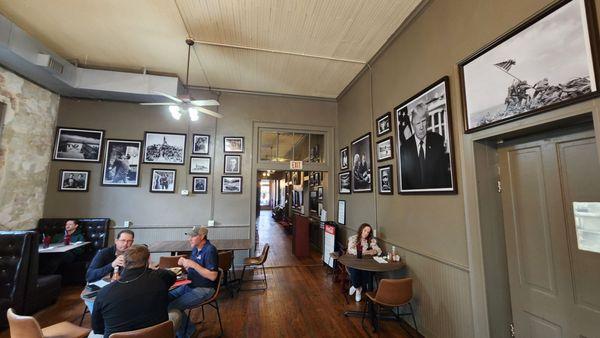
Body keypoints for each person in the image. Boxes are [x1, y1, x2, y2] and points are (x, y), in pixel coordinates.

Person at [89, 245, 178, 338]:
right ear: (148, 260)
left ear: (123, 263)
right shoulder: (160, 277)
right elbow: (172, 276)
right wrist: (152, 268)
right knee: (176, 313)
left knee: (93, 335)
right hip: (157, 334)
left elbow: (98, 328)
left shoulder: (104, 292)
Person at [168, 226, 218, 338]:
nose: (189, 239)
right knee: (164, 298)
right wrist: (186, 264)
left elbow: (213, 276)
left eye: (193, 236)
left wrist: (193, 264)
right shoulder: (196, 248)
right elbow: (193, 269)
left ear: (202, 236)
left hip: (205, 288)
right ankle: (187, 330)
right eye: (189, 236)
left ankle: (188, 333)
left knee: (172, 307)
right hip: (190, 284)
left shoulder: (210, 250)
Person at [399, 102, 451, 190]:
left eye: (423, 121)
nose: (421, 127)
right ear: (412, 125)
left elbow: (443, 175)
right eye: (418, 123)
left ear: (427, 121)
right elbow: (404, 182)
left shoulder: (438, 140)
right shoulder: (405, 148)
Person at [85, 230, 135, 313]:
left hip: (121, 287)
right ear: (116, 241)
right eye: (123, 240)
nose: (126, 244)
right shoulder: (104, 253)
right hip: (101, 287)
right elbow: (89, 276)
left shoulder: (131, 254)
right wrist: (112, 264)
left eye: (129, 241)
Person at [347, 223, 381, 302]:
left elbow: (379, 251)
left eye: (368, 232)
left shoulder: (371, 241)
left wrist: (375, 251)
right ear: (361, 229)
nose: (366, 233)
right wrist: (366, 252)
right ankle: (358, 288)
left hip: (365, 263)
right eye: (365, 230)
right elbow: (351, 250)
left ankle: (356, 287)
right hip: (353, 262)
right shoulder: (354, 238)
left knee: (368, 271)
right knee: (355, 270)